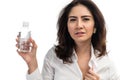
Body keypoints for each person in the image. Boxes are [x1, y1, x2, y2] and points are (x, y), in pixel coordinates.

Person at [16, 0, 120, 80]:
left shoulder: (107, 65)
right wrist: (32, 62)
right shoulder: (54, 56)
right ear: (66, 26)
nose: (79, 25)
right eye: (73, 20)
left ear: (95, 27)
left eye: (86, 19)